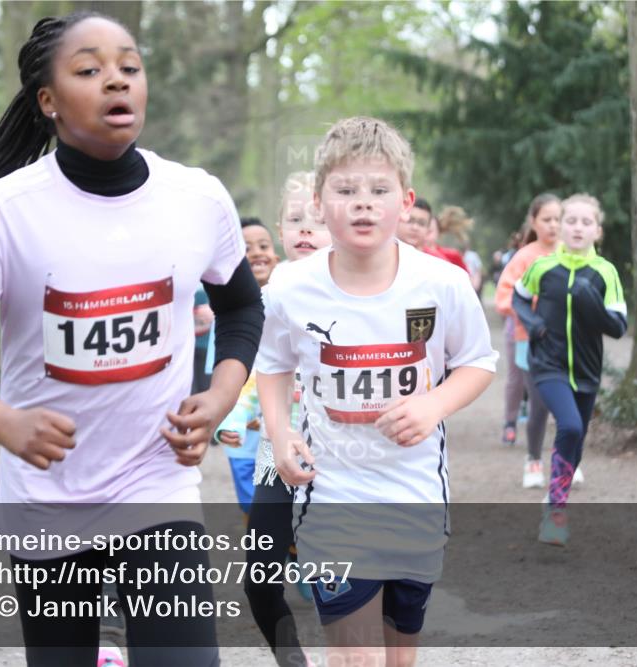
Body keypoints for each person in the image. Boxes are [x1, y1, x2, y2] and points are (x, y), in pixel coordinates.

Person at [0, 13, 264, 666]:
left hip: (157, 487)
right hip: (46, 502)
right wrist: (0, 419)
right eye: (89, 69)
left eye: (129, 66)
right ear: (48, 100)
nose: (116, 81)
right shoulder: (5, 212)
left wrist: (220, 396)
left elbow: (242, 309)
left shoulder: (196, 198)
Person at [256, 117, 497, 666]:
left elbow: (478, 362)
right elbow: (271, 365)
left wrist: (434, 403)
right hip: (333, 495)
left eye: (379, 190)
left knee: (397, 660)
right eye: (345, 190)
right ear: (319, 202)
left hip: (414, 495)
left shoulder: (441, 284)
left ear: (405, 202)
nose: (362, 203)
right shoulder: (291, 287)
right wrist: (279, 431)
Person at [244, 171, 331, 667]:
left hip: (346, 456)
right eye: (294, 219)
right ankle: (292, 660)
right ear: (280, 229)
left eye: (315, 220)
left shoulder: (363, 296)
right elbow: (240, 371)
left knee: (344, 579)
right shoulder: (261, 300)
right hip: (275, 453)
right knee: (259, 579)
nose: (304, 228)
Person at [513, 193, 626, 546]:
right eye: (571, 220)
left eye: (586, 222)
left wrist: (591, 300)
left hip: (588, 372)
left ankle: (554, 497)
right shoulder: (543, 266)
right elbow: (518, 296)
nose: (578, 227)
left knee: (576, 439)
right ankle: (557, 509)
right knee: (571, 425)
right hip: (548, 365)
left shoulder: (605, 273)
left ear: (598, 231)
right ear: (560, 227)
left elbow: (618, 327)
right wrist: (532, 323)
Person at [214, 218, 279, 515]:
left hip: (278, 431)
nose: (256, 253)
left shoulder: (288, 302)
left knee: (281, 506)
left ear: (276, 256)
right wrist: (223, 419)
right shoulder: (225, 315)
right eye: (245, 248)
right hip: (240, 435)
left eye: (263, 246)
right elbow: (215, 376)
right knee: (252, 508)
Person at [495, 194, 560, 488]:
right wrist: (535, 311)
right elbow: (504, 297)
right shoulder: (524, 257)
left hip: (566, 342)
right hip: (528, 340)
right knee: (538, 402)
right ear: (533, 222)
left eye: (558, 219)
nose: (553, 225)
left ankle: (566, 458)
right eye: (547, 219)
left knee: (567, 402)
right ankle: (533, 458)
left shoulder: (572, 254)